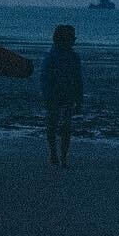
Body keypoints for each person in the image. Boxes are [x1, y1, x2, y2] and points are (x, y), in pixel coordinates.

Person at [40, 24, 83, 167]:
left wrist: (79, 98)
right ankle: (54, 154)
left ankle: (62, 156)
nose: (74, 40)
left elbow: (78, 79)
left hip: (67, 96)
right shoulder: (52, 56)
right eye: (72, 37)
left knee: (65, 127)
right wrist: (48, 96)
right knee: (54, 125)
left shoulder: (73, 57)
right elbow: (45, 78)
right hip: (54, 96)